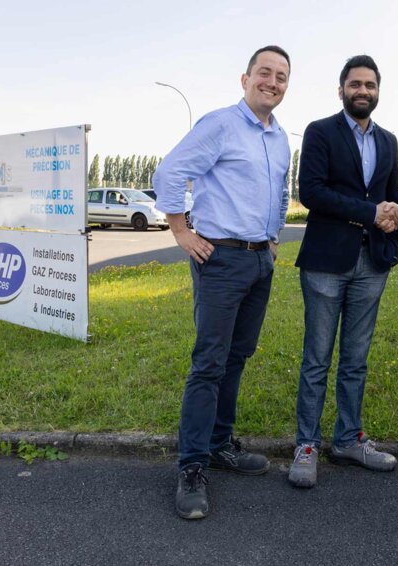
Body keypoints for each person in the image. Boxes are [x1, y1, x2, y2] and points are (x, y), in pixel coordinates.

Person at [152, 45, 291, 520]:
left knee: (237, 356)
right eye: (265, 73)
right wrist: (180, 230)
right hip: (220, 259)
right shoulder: (220, 124)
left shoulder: (279, 138)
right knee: (209, 362)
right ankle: (192, 467)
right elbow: (170, 171)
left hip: (258, 262)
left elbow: (281, 191)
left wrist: (272, 239)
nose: (273, 82)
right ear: (245, 78)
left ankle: (219, 443)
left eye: (282, 77)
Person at [288, 55, 398, 488]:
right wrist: (371, 213)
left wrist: (389, 237)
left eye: (370, 85)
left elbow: (392, 201)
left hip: (372, 264)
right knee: (317, 359)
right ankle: (307, 444)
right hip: (324, 263)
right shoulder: (320, 132)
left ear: (377, 91)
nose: (363, 91)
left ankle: (348, 440)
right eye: (355, 84)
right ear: (341, 89)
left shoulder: (389, 141)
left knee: (356, 360)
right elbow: (312, 193)